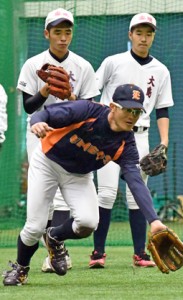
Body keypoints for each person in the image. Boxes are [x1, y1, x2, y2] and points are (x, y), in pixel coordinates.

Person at [2, 84, 168, 286]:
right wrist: (36, 123)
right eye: (127, 109)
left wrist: (154, 221)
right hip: (47, 162)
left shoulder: (127, 143)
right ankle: (21, 268)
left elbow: (136, 182)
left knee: (88, 223)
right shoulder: (88, 111)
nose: (132, 115)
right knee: (35, 226)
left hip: (78, 176)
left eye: (136, 111)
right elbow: (45, 115)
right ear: (113, 107)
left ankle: (54, 237)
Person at [17, 8, 98, 272]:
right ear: (47, 34)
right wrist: (45, 89)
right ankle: (46, 251)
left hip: (70, 140)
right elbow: (29, 107)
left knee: (64, 202)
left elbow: (90, 109)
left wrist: (72, 97)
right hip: (40, 137)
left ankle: (54, 253)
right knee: (44, 203)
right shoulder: (32, 64)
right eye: (57, 32)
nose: (63, 37)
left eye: (67, 31)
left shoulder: (83, 66)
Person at [89, 12, 174, 268]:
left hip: (141, 136)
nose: (144, 37)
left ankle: (140, 254)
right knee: (105, 194)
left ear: (153, 36)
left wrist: (164, 142)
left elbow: (163, 109)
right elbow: (92, 94)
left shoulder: (161, 70)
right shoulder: (113, 62)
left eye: (148, 33)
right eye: (139, 32)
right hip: (108, 135)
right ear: (130, 34)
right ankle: (98, 253)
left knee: (137, 195)